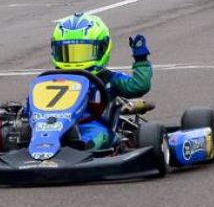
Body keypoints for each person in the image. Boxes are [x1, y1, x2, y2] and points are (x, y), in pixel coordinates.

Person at [50, 13, 152, 151]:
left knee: (96, 135)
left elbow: (139, 86)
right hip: (53, 126)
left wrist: (141, 59)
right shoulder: (50, 80)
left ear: (102, 49)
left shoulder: (109, 79)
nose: (75, 61)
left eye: (83, 52)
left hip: (93, 125)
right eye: (67, 52)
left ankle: (82, 150)